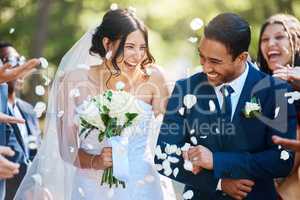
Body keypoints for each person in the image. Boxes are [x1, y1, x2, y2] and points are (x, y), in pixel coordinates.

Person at [15, 8, 176, 200]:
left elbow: (174, 130)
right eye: (130, 47)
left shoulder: (154, 77)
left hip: (143, 185)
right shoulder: (73, 81)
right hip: (91, 187)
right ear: (107, 43)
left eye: (142, 48)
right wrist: (96, 161)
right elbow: (67, 149)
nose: (138, 55)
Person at [155, 13, 296, 200]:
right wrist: (219, 183)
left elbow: (282, 161)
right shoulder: (185, 88)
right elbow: (163, 156)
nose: (205, 67)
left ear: (241, 58)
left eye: (215, 61)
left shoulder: (277, 91)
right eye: (202, 57)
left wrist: (217, 162)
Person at [257, 14, 300, 200]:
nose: (270, 43)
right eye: (265, 39)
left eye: (279, 37)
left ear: (296, 42)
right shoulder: (256, 87)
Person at [0, 42, 42, 200]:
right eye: (10, 60)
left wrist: (38, 186)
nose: (19, 66)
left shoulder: (28, 110)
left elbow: (36, 155)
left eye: (20, 60)